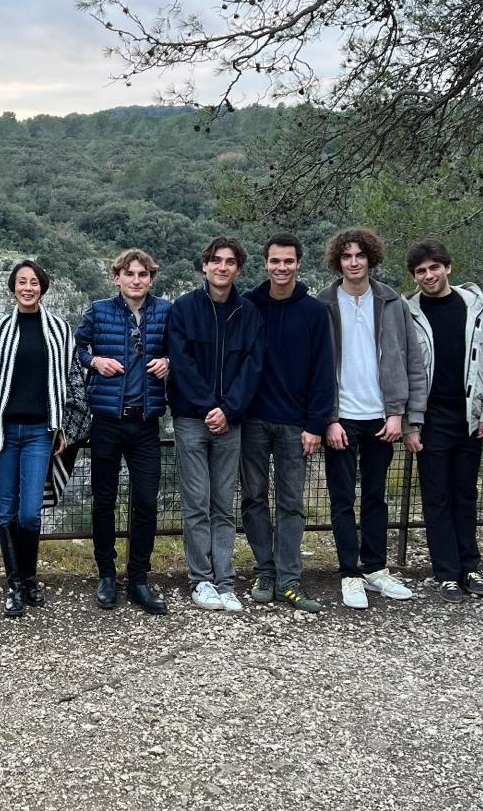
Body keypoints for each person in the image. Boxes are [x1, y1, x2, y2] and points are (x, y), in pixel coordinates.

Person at [317, 228, 427, 609]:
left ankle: (376, 569)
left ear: (371, 258)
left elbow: (412, 362)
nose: (353, 262)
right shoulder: (324, 303)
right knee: (342, 498)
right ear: (338, 261)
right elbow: (315, 367)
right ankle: (349, 573)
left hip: (382, 417)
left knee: (376, 496)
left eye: (359, 255)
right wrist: (328, 419)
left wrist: (401, 416)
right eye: (346, 256)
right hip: (341, 418)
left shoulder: (392, 302)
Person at [0, 260, 80, 618]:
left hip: (39, 433)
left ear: (42, 288)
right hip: (2, 433)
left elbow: (72, 380)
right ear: (13, 288)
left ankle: (30, 579)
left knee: (29, 514)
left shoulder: (60, 331)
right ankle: (15, 585)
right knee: (6, 512)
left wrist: (64, 427)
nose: (27, 288)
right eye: (21, 282)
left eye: (33, 282)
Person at [167, 236, 263, 612]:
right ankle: (200, 580)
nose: (222, 267)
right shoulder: (184, 308)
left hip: (231, 422)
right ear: (205, 265)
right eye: (216, 260)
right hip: (192, 419)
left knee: (224, 504)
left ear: (238, 268)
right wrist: (212, 408)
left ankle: (225, 581)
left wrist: (229, 410)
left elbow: (253, 367)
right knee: (196, 503)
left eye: (230, 262)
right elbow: (181, 363)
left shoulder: (249, 313)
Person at [404, 240, 483, 602]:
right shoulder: (408, 312)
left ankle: (470, 568)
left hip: (469, 416)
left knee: (465, 494)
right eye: (421, 271)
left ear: (448, 267)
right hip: (430, 417)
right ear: (414, 276)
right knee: (436, 497)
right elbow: (401, 366)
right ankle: (446, 573)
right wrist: (410, 423)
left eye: (434, 267)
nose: (428, 275)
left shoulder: (476, 307)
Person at [241, 232, 334, 613]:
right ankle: (265, 570)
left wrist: (316, 424)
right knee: (253, 498)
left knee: (292, 503)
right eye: (275, 261)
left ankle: (290, 578)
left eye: (288, 261)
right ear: (265, 263)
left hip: (296, 424)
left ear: (298, 263)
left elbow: (323, 371)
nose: (281, 268)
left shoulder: (314, 312)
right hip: (252, 419)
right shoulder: (248, 305)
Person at [75, 248, 171, 614]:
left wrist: (169, 361)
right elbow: (74, 347)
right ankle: (106, 575)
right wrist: (95, 360)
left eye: (143, 274)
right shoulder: (99, 311)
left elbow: (182, 350)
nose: (136, 280)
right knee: (104, 501)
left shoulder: (165, 312)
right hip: (106, 421)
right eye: (129, 273)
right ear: (116, 278)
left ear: (151, 279)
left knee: (146, 502)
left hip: (145, 422)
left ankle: (138, 579)